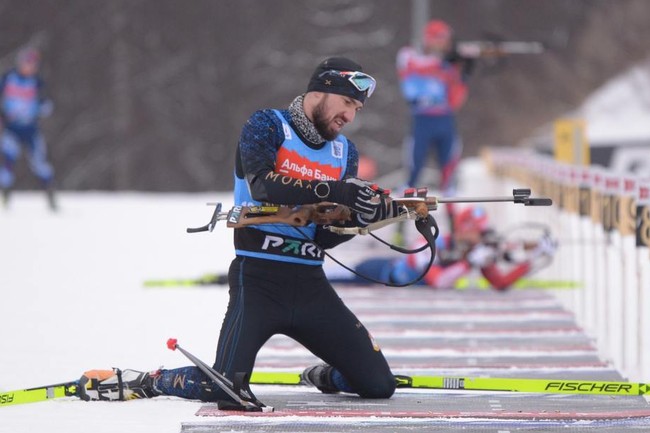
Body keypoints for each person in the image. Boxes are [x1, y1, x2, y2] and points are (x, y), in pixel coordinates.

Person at [77, 57, 402, 404]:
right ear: (321, 91)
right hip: (258, 280)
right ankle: (151, 381)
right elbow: (263, 187)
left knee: (379, 385)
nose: (350, 117)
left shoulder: (344, 151)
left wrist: (362, 220)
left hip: (310, 285)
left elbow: (323, 236)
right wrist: (334, 190)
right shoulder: (267, 124)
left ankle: (327, 374)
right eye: (348, 103)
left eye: (357, 108)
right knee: (228, 389)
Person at [327, 206, 558, 291]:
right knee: (332, 279)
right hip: (379, 273)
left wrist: (532, 257)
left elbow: (500, 283)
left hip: (398, 282)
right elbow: (438, 282)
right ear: (465, 230)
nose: (483, 236)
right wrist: (469, 263)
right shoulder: (435, 244)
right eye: (479, 231)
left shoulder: (475, 251)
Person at [396, 19, 474, 195]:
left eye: (446, 40)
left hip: (445, 119)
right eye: (440, 39)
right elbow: (410, 75)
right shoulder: (409, 55)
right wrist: (443, 62)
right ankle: (405, 206)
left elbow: (454, 101)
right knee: (414, 169)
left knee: (449, 172)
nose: (444, 44)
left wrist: (463, 76)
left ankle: (451, 210)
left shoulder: (448, 65)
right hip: (422, 118)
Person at [0, 46, 56, 210]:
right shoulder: (8, 78)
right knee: (7, 162)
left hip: (30, 130)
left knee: (39, 163)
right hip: (12, 129)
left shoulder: (37, 82)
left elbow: (47, 104)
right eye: (27, 63)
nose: (29, 67)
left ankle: (50, 195)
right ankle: (5, 197)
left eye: (33, 64)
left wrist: (41, 106)